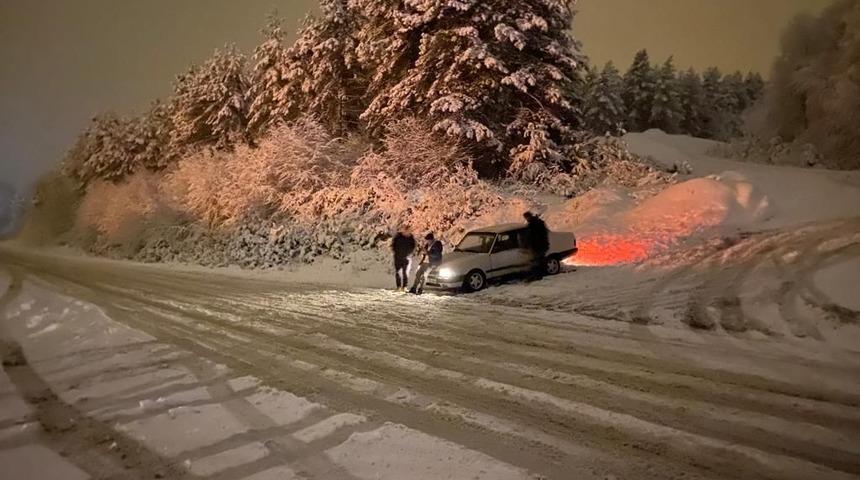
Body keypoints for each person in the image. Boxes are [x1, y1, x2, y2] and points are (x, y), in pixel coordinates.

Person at [523, 211, 549, 281]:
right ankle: (542, 274)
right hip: (541, 245)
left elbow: (529, 237)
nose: (526, 219)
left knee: (536, 261)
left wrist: (525, 245)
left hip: (537, 246)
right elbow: (545, 233)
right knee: (540, 260)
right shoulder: (539, 222)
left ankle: (538, 275)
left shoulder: (532, 225)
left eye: (526, 217)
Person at [391, 226, 416, 291]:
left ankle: (404, 286)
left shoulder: (411, 238)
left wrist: (408, 254)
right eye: (406, 231)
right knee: (398, 272)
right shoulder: (398, 237)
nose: (407, 232)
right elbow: (394, 245)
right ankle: (398, 286)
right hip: (398, 257)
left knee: (405, 272)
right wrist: (396, 252)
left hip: (406, 257)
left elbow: (413, 247)